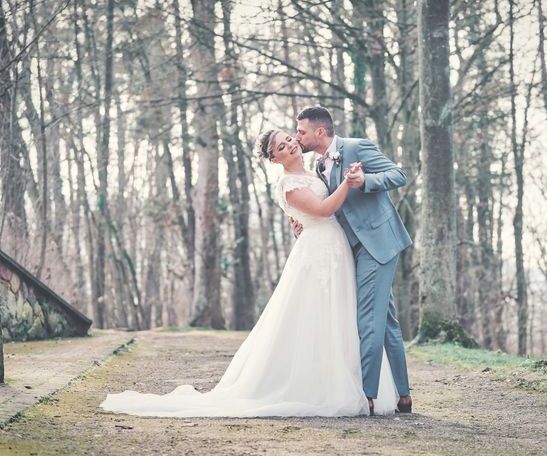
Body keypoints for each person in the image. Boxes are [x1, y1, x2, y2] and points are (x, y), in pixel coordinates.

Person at [99, 129, 398, 418]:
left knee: (342, 315)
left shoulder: (315, 173)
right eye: (281, 147)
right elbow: (321, 210)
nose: (290, 145)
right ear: (274, 159)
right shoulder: (288, 186)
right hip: (318, 251)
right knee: (315, 315)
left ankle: (349, 379)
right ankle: (317, 387)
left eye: (289, 139)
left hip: (336, 248)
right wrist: (348, 183)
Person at [295, 106, 412, 415]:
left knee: (367, 319)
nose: (298, 137)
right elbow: (327, 205)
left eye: (301, 132)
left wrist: (366, 180)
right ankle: (403, 396)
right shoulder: (318, 165)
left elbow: (398, 175)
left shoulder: (357, 147)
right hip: (351, 247)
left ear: (320, 132)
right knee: (385, 321)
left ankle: (367, 395)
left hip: (378, 242)